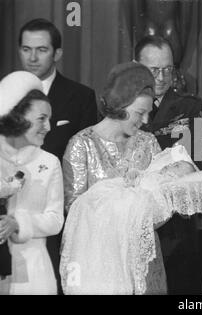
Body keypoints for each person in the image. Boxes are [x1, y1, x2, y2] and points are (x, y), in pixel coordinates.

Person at [62, 62, 166, 294]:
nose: (146, 120)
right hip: (99, 263)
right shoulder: (82, 144)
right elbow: (75, 209)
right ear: (120, 105)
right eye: (140, 112)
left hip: (144, 262)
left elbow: (163, 204)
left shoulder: (148, 143)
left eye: (149, 112)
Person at [18, 18, 98, 292]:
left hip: (60, 213)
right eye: (26, 49)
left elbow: (88, 159)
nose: (32, 57)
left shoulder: (81, 97)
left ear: (57, 53)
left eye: (41, 49)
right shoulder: (7, 96)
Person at [135, 35, 202, 294]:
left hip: (176, 224)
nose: (163, 77)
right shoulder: (121, 107)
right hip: (133, 220)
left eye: (168, 68)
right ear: (136, 66)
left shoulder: (189, 106)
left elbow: (195, 155)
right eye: (154, 70)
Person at [0, 71, 64, 294]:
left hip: (35, 273)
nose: (48, 126)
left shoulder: (49, 162)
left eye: (49, 119)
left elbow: (56, 220)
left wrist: (18, 223)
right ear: (17, 116)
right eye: (41, 119)